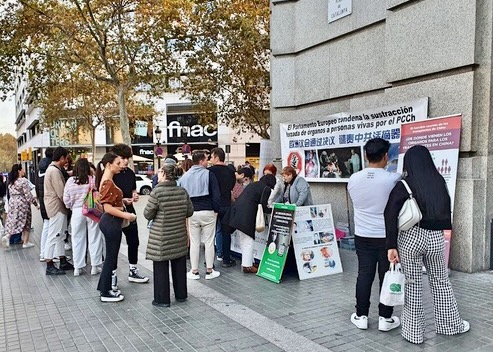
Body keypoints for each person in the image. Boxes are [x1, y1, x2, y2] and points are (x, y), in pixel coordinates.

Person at [384, 145, 469, 344]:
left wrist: (391, 246)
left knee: (412, 285)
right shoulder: (438, 181)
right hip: (436, 238)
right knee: (441, 282)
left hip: (411, 237)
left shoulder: (403, 184)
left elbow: (389, 214)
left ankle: (414, 334)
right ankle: (450, 325)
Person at [347, 138, 401, 332]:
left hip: (362, 235)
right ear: (386, 156)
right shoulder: (393, 179)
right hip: (387, 238)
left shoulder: (353, 179)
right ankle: (385, 318)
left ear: (365, 156)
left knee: (364, 275)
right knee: (387, 276)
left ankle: (361, 316)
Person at [144, 163, 194, 307]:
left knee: (161, 268)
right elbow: (190, 211)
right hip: (178, 235)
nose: (157, 174)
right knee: (179, 266)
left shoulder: (157, 192)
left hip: (161, 237)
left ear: (165, 174)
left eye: (159, 171)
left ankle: (162, 299)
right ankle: (181, 295)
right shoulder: (182, 191)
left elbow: (148, 213)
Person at [96, 152, 137, 302]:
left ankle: (104, 288)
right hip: (111, 221)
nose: (121, 166)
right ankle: (105, 292)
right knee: (111, 258)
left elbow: (109, 203)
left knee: (111, 258)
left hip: (112, 221)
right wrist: (128, 216)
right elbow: (107, 207)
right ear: (108, 165)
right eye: (118, 163)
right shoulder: (107, 181)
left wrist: (123, 201)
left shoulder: (107, 181)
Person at [110, 144, 149, 284]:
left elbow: (133, 190)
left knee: (134, 241)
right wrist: (122, 200)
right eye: (123, 158)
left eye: (128, 158)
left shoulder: (130, 173)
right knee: (113, 245)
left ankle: (133, 270)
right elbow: (104, 198)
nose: (126, 161)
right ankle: (112, 275)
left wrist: (134, 196)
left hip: (129, 211)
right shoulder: (110, 173)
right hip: (113, 213)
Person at [180, 150, 221, 280]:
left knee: (194, 242)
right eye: (206, 159)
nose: (207, 161)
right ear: (201, 161)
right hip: (208, 210)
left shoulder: (184, 177)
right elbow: (216, 195)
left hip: (192, 212)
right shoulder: (209, 174)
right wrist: (216, 210)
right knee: (209, 241)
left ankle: (194, 271)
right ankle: (209, 270)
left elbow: (182, 197)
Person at [225, 174, 276, 273]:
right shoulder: (266, 189)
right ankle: (247, 266)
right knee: (248, 241)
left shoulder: (254, 184)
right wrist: (272, 210)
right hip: (247, 216)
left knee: (244, 241)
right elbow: (263, 205)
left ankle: (249, 262)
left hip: (238, 213)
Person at [63, 158, 104, 276]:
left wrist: (71, 206)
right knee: (95, 237)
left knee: (77, 239)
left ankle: (77, 267)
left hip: (76, 211)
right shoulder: (93, 179)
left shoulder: (70, 181)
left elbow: (66, 198)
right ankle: (95, 266)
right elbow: (98, 195)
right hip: (91, 210)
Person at [43, 147, 73, 275]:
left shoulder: (52, 169)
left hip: (57, 207)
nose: (66, 161)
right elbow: (61, 192)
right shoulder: (54, 171)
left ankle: (62, 260)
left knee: (60, 235)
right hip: (57, 207)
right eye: (66, 158)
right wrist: (69, 203)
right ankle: (49, 263)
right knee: (54, 235)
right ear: (61, 158)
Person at [208, 147, 236, 267]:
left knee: (210, 234)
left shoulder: (209, 171)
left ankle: (210, 261)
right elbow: (231, 186)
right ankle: (226, 259)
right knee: (226, 233)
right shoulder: (230, 172)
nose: (210, 159)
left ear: (217, 157)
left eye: (212, 156)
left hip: (213, 205)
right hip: (226, 204)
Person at [1, 164, 39, 248]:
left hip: (13, 202)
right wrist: (36, 204)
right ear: (19, 171)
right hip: (22, 203)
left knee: (14, 220)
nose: (24, 171)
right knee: (27, 221)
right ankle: (26, 242)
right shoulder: (23, 181)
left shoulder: (11, 182)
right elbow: (28, 195)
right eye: (23, 169)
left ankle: (8, 236)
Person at [36, 147, 54, 262]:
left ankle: (43, 252)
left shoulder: (40, 168)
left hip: (43, 202)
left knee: (46, 227)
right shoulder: (51, 169)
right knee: (50, 229)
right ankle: (48, 254)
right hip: (50, 203)